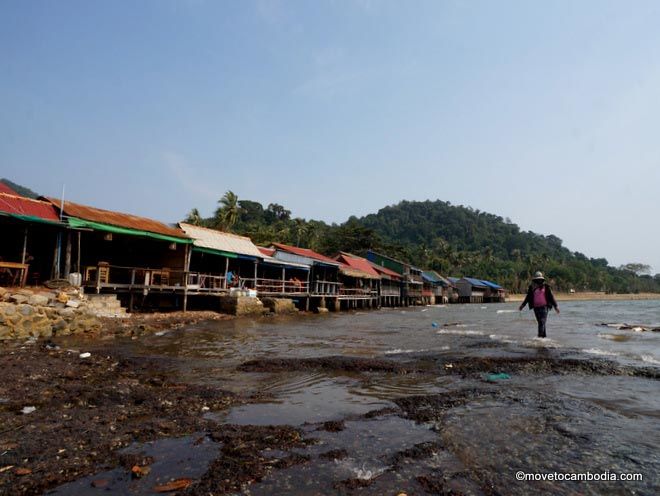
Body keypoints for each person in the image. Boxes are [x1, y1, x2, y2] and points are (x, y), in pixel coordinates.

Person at [518, 271, 559, 338]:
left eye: (540, 279)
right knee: (541, 323)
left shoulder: (546, 287)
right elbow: (528, 297)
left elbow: (551, 297)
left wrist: (556, 306)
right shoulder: (532, 287)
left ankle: (539, 338)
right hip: (536, 308)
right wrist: (522, 305)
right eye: (537, 279)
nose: (539, 281)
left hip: (544, 307)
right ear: (535, 280)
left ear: (542, 280)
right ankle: (543, 337)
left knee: (542, 322)